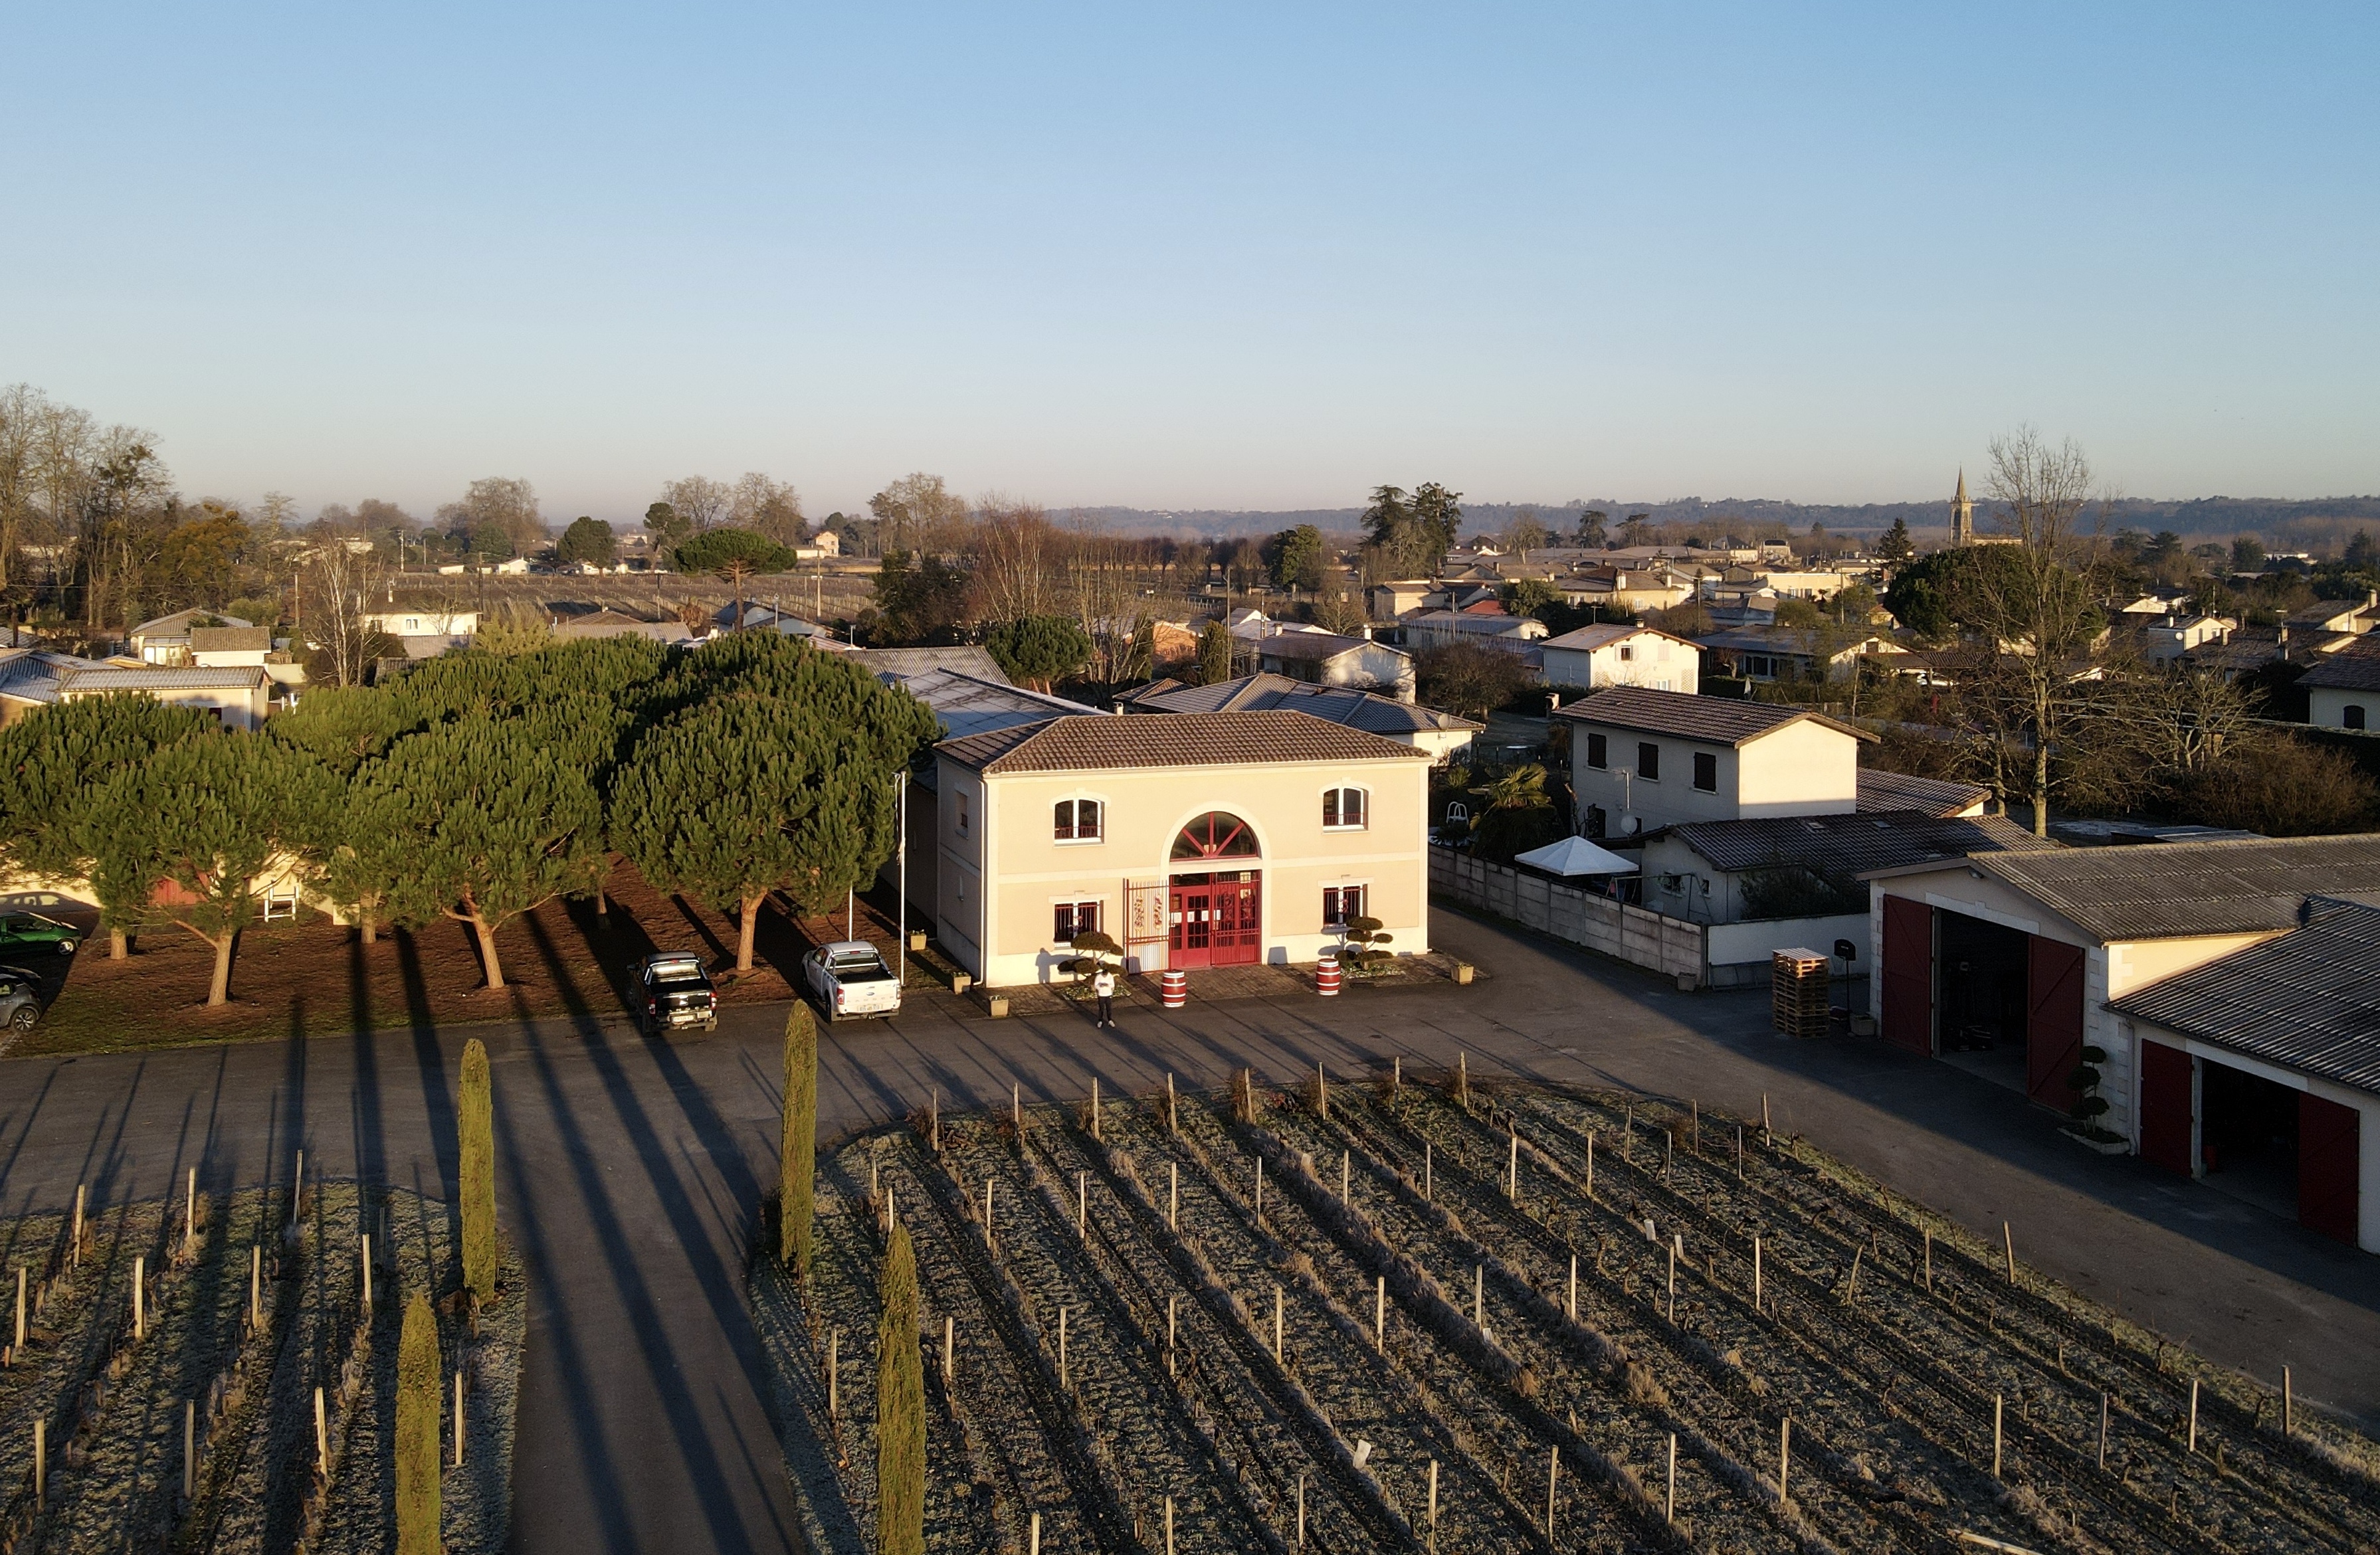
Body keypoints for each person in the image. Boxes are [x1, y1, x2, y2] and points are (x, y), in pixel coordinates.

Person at [1092, 964, 1118, 1029]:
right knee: (1101, 1009)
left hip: (1108, 994)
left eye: (1105, 975)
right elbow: (1095, 985)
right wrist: (1100, 987)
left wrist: (1107, 985)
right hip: (1101, 995)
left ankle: (1110, 1020)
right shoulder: (1098, 976)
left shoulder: (1110, 976)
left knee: (1109, 1008)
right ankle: (1100, 1021)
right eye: (1104, 975)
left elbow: (1112, 985)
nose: (1104, 976)